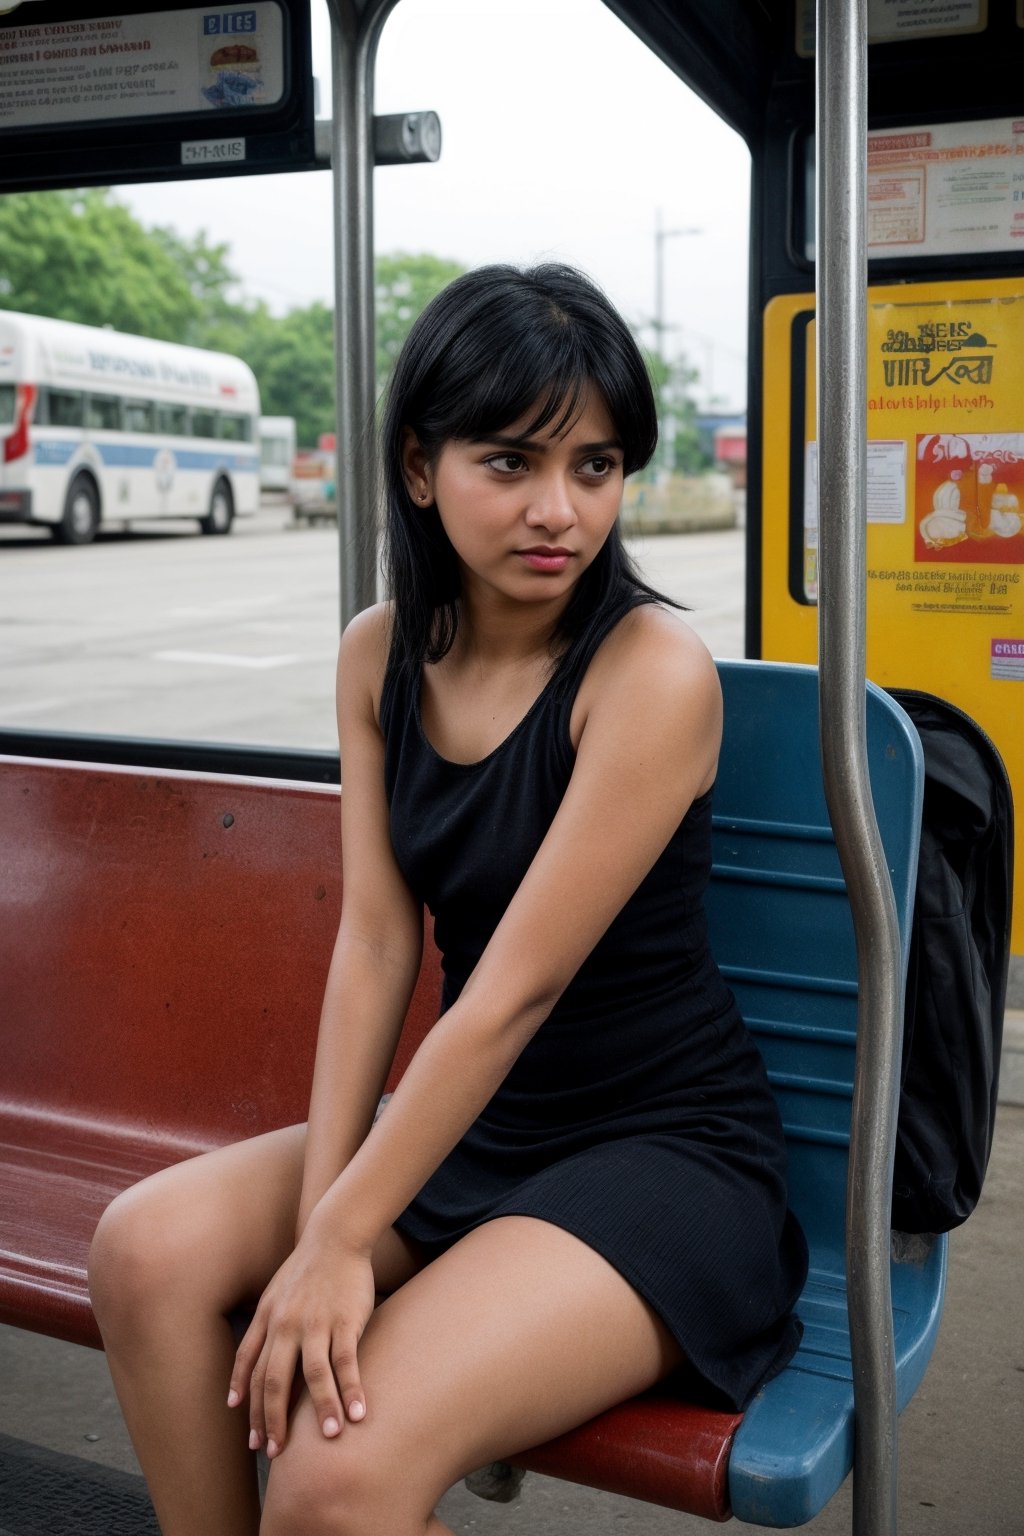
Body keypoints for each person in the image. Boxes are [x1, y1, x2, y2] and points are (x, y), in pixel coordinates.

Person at [88, 263, 808, 1536]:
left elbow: (515, 988)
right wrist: (325, 1225)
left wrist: (338, 1238)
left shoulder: (649, 673)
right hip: (475, 1129)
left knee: (332, 1472)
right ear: (419, 468)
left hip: (662, 1156)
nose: (559, 510)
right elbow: (375, 946)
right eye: (510, 461)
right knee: (144, 1254)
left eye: (594, 466)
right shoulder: (379, 653)